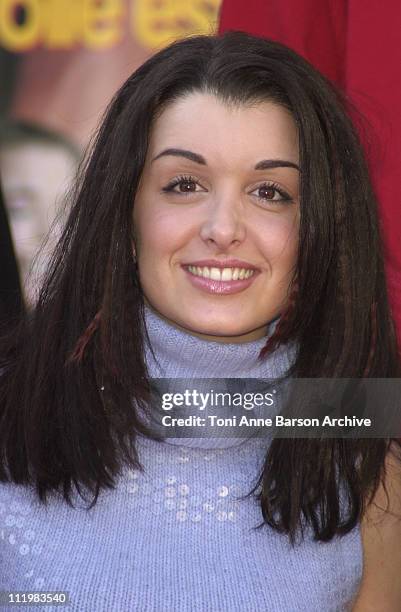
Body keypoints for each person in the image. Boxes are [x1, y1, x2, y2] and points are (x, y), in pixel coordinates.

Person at [0, 31, 400, 611]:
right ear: (125, 213)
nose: (223, 227)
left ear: (319, 231)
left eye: (271, 191)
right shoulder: (13, 414)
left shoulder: (363, 447)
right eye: (184, 185)